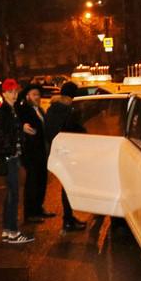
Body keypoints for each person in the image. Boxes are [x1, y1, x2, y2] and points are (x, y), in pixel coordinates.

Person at [0, 78, 34, 244]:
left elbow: (11, 130)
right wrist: (10, 149)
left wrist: (21, 128)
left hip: (12, 156)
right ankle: (13, 232)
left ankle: (7, 230)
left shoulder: (12, 110)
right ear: (4, 94)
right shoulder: (2, 112)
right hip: (9, 158)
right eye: (10, 92)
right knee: (14, 195)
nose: (14, 94)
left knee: (11, 194)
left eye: (15, 91)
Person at [44, 81, 87, 233]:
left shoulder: (52, 109)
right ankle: (68, 220)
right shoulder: (68, 111)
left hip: (58, 152)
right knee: (68, 187)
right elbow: (76, 130)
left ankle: (68, 219)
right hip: (68, 153)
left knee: (66, 186)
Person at [17, 84, 53, 224]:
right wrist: (22, 127)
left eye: (38, 94)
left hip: (42, 151)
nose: (37, 97)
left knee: (41, 181)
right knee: (32, 182)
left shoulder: (40, 110)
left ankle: (39, 208)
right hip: (31, 152)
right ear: (27, 96)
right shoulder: (24, 109)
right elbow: (16, 120)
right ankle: (30, 213)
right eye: (34, 95)